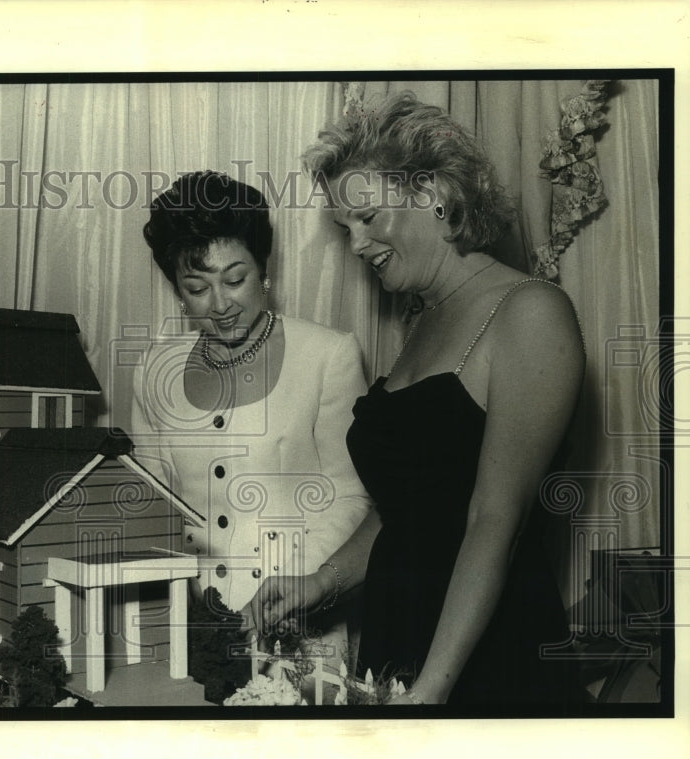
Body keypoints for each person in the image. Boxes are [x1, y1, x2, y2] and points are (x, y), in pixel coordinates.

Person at [246, 93, 586, 706]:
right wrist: (320, 582)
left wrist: (431, 689)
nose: (355, 243)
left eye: (368, 217)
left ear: (432, 194)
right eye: (345, 226)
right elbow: (408, 511)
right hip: (398, 644)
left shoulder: (531, 312)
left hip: (481, 657)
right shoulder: (421, 321)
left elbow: (492, 523)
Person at [131, 170, 373, 660]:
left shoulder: (328, 355)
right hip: (187, 628)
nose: (220, 305)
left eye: (235, 279)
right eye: (196, 287)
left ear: (264, 270)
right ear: (177, 289)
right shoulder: (153, 369)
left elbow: (352, 497)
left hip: (298, 621)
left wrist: (286, 592)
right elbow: (151, 507)